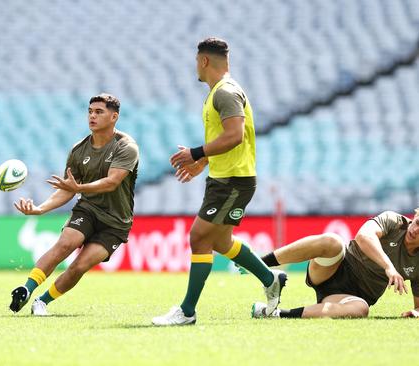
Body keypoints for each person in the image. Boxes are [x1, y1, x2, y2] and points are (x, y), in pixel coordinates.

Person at [152, 37, 286, 326]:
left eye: (196, 62)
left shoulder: (224, 92)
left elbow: (234, 135)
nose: (195, 68)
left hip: (232, 181)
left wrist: (195, 152)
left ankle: (187, 311)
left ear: (203, 61)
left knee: (199, 238)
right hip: (227, 178)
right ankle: (270, 278)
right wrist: (204, 161)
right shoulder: (221, 91)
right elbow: (228, 139)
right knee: (222, 242)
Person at [9, 93, 139, 316]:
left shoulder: (126, 147)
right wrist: (41, 208)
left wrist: (78, 188)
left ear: (114, 116)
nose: (92, 116)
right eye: (90, 111)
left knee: (80, 265)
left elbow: (112, 182)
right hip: (88, 209)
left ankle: (42, 301)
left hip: (116, 222)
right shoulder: (79, 150)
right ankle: (27, 289)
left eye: (99, 112)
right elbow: (67, 188)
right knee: (66, 244)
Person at [252, 210, 419, 319]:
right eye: (418, 222)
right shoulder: (393, 220)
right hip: (335, 268)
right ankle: (258, 262)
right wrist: (389, 267)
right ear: (416, 214)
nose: (415, 230)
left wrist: (415, 312)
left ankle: (276, 314)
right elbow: (364, 237)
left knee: (361, 310)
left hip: (356, 296)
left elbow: (418, 307)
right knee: (333, 241)